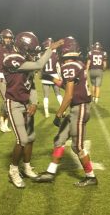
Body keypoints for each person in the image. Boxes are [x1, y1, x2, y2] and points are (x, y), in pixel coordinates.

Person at [34, 36, 97, 187]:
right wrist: (50, 77)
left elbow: (68, 95)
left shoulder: (70, 66)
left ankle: (91, 177)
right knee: (59, 140)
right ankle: (51, 172)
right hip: (77, 108)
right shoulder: (76, 64)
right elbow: (67, 85)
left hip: (79, 108)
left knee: (78, 147)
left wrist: (58, 113)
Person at [3, 31, 64, 188]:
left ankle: (27, 167)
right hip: (14, 103)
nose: (31, 53)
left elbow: (31, 83)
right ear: (23, 46)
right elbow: (38, 64)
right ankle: (13, 171)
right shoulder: (11, 58)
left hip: (26, 103)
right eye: (29, 49)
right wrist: (49, 49)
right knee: (21, 139)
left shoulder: (25, 58)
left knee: (30, 138)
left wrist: (34, 102)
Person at [40, 38, 63, 118]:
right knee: (58, 94)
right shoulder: (55, 55)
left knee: (46, 96)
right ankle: (63, 111)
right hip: (54, 76)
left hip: (45, 77)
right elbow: (58, 67)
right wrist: (60, 77)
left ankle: (46, 113)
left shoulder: (42, 54)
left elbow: (40, 66)